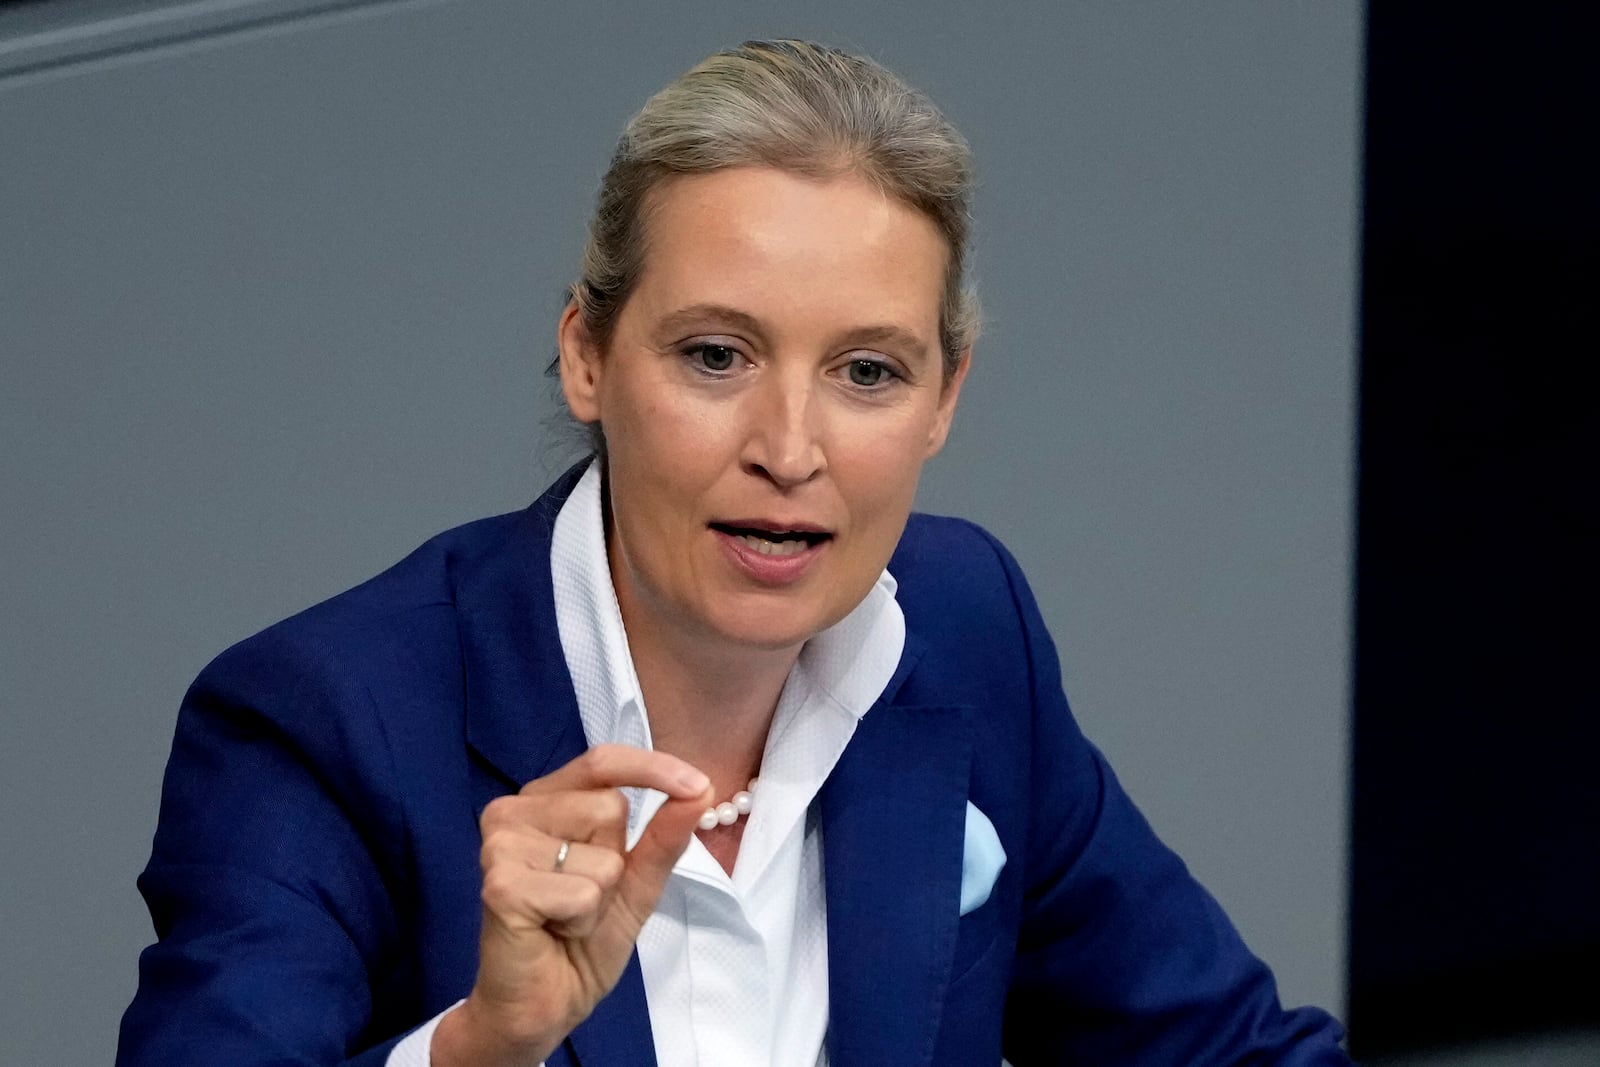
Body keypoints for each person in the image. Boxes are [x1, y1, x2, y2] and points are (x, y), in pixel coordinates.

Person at [117, 39, 1352, 1067]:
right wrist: (482, 1046)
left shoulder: (971, 631)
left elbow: (1232, 1052)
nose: (788, 446)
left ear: (945, 398)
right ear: (586, 356)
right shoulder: (321, 721)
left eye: (867, 371)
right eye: (716, 354)